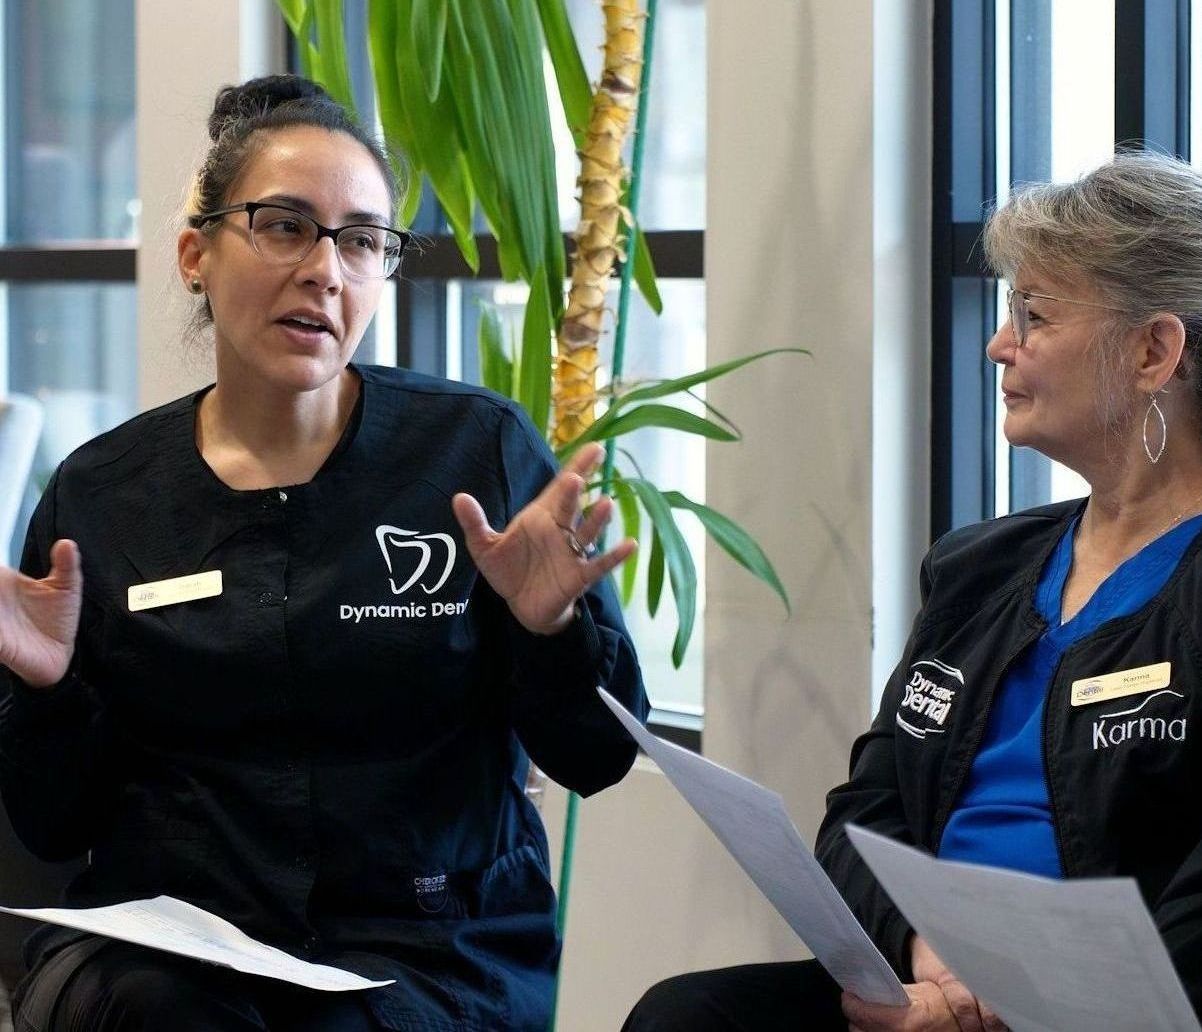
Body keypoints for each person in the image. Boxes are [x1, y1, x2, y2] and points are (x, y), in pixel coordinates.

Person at [0, 74, 647, 1032]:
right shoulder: (103, 494)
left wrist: (549, 632)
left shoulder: (473, 455)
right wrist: (50, 694)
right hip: (170, 944)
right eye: (285, 226)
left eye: (362, 241)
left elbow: (595, 759)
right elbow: (54, 824)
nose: (325, 270)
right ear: (195, 254)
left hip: (426, 951)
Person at [624, 150, 1202, 1031]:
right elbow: (865, 816)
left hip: (1114, 1011)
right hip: (933, 987)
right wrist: (927, 955)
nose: (998, 343)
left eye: (1034, 315)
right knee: (688, 1015)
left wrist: (1024, 998)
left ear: (1154, 351)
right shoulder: (978, 570)